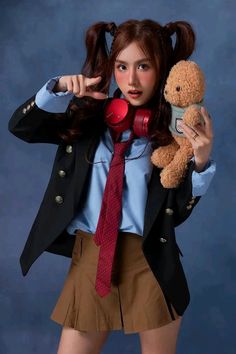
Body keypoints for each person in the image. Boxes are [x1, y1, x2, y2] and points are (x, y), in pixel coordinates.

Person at [9, 19, 215, 354]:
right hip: (91, 257)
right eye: (122, 66)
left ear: (161, 69)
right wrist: (58, 87)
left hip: (148, 260)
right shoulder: (88, 117)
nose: (131, 80)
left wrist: (201, 163)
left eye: (143, 66)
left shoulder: (172, 136)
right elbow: (21, 126)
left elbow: (175, 214)